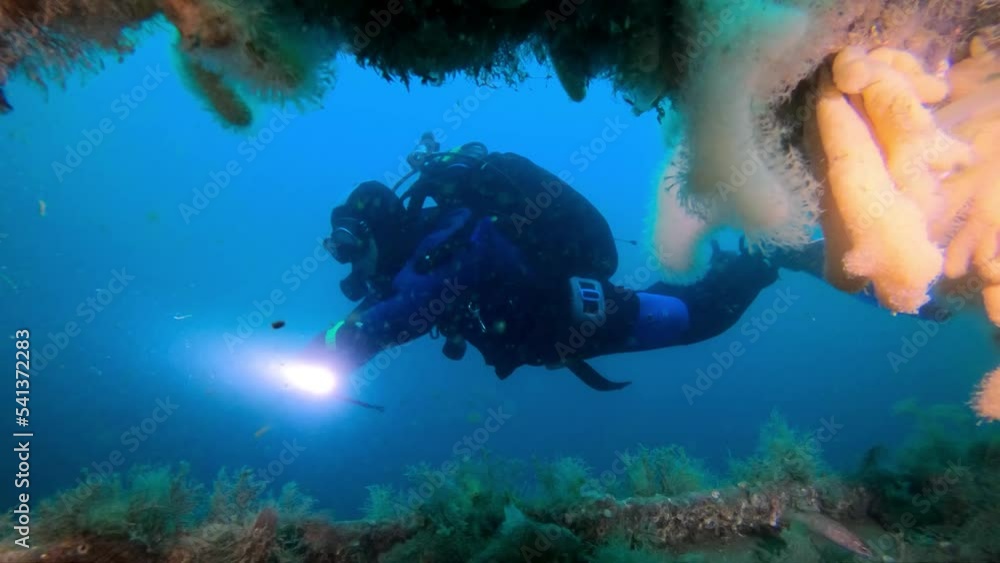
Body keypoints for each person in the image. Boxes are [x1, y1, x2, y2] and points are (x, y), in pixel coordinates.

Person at [306, 138, 946, 391]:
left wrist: (344, 344)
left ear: (380, 230)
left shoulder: (450, 237)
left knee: (698, 317)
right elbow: (400, 299)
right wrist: (342, 332)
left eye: (347, 246)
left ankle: (780, 252)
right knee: (679, 301)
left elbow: (415, 302)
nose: (347, 263)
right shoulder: (430, 248)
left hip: (577, 316)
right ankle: (761, 251)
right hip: (555, 326)